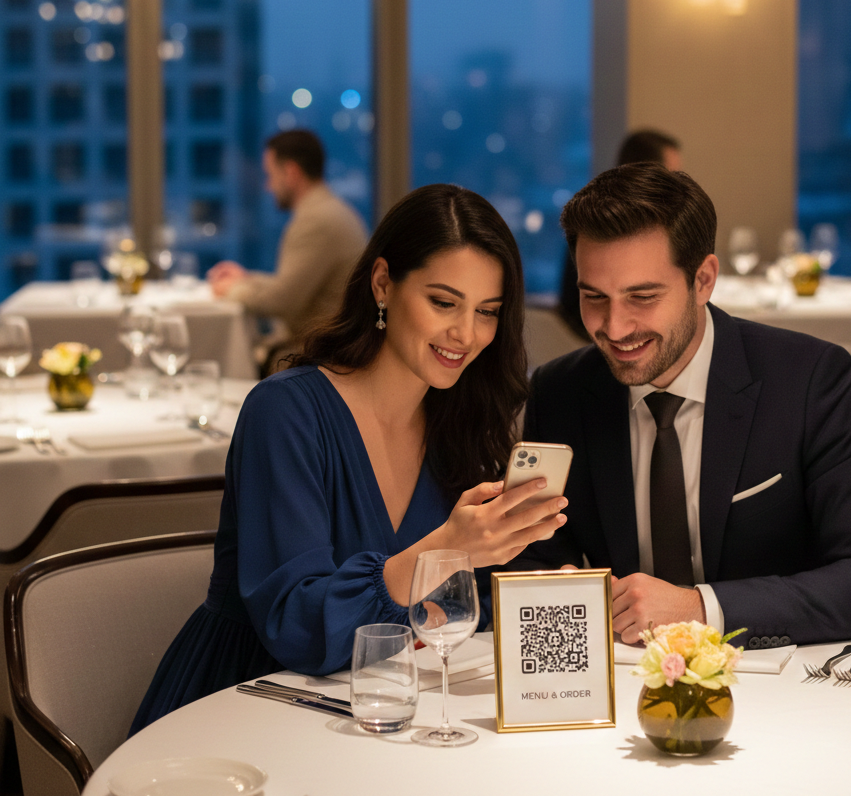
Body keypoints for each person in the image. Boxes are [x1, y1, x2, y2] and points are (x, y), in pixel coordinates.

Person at [131, 184, 568, 733]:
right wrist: (443, 553)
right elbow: (298, 627)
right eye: (443, 302)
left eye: (487, 312)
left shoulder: (461, 422)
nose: (466, 333)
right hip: (254, 704)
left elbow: (462, 608)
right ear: (382, 283)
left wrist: (543, 592)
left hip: (391, 704)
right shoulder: (285, 412)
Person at [519, 163, 851, 649]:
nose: (615, 327)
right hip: (625, 681)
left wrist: (700, 610)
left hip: (788, 679)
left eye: (642, 297)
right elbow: (531, 565)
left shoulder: (809, 380)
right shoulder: (559, 392)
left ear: (703, 280)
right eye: (594, 297)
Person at [207, 129, 369, 373]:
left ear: (291, 172)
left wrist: (232, 290)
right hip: (333, 351)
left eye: (270, 175)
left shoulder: (317, 221)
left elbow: (282, 301)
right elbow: (294, 286)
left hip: (318, 359)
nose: (268, 186)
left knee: (217, 367)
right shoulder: (332, 211)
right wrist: (245, 278)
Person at [558, 129, 683, 339]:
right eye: (673, 175)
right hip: (584, 339)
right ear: (650, 175)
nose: (679, 187)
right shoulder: (600, 229)